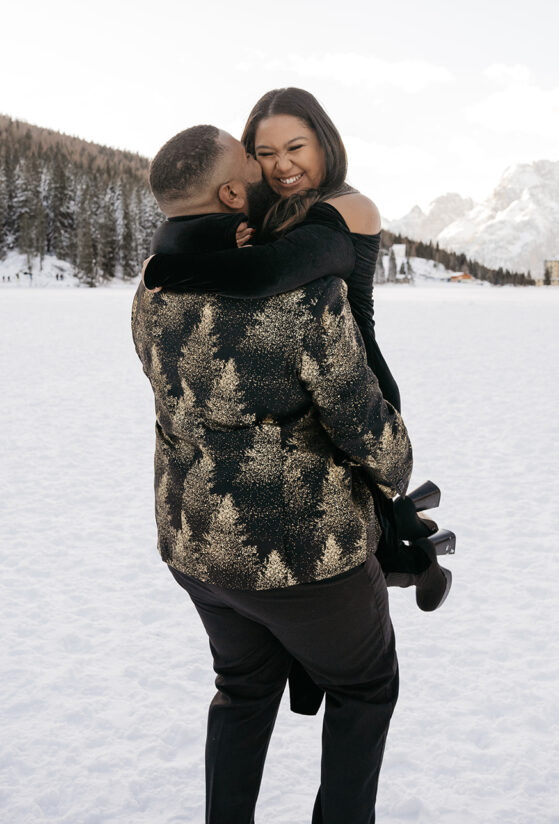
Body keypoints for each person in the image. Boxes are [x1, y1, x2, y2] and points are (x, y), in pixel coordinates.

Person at [132, 123, 414, 824]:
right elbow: (360, 421)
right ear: (233, 194)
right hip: (303, 556)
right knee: (364, 689)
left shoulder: (151, 290)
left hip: (196, 545)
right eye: (253, 161)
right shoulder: (303, 297)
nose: (270, 171)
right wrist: (398, 471)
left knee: (242, 691)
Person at [142, 88, 451, 614]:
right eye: (265, 153)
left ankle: (417, 558)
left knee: (359, 505)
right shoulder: (265, 206)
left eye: (296, 147)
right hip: (299, 377)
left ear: (325, 143)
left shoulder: (349, 208)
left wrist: (162, 269)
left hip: (355, 374)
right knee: (357, 506)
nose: (282, 165)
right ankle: (412, 546)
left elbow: (267, 272)